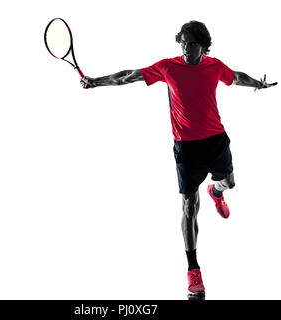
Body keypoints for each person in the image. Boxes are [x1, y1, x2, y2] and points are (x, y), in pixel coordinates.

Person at [80, 20, 277, 298]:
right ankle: (193, 271)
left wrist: (258, 83)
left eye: (192, 43)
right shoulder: (168, 67)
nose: (186, 48)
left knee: (230, 183)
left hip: (216, 140)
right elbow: (128, 76)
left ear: (203, 46)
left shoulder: (214, 66)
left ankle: (216, 191)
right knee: (188, 206)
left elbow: (236, 76)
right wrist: (96, 81)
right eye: (182, 42)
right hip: (186, 148)